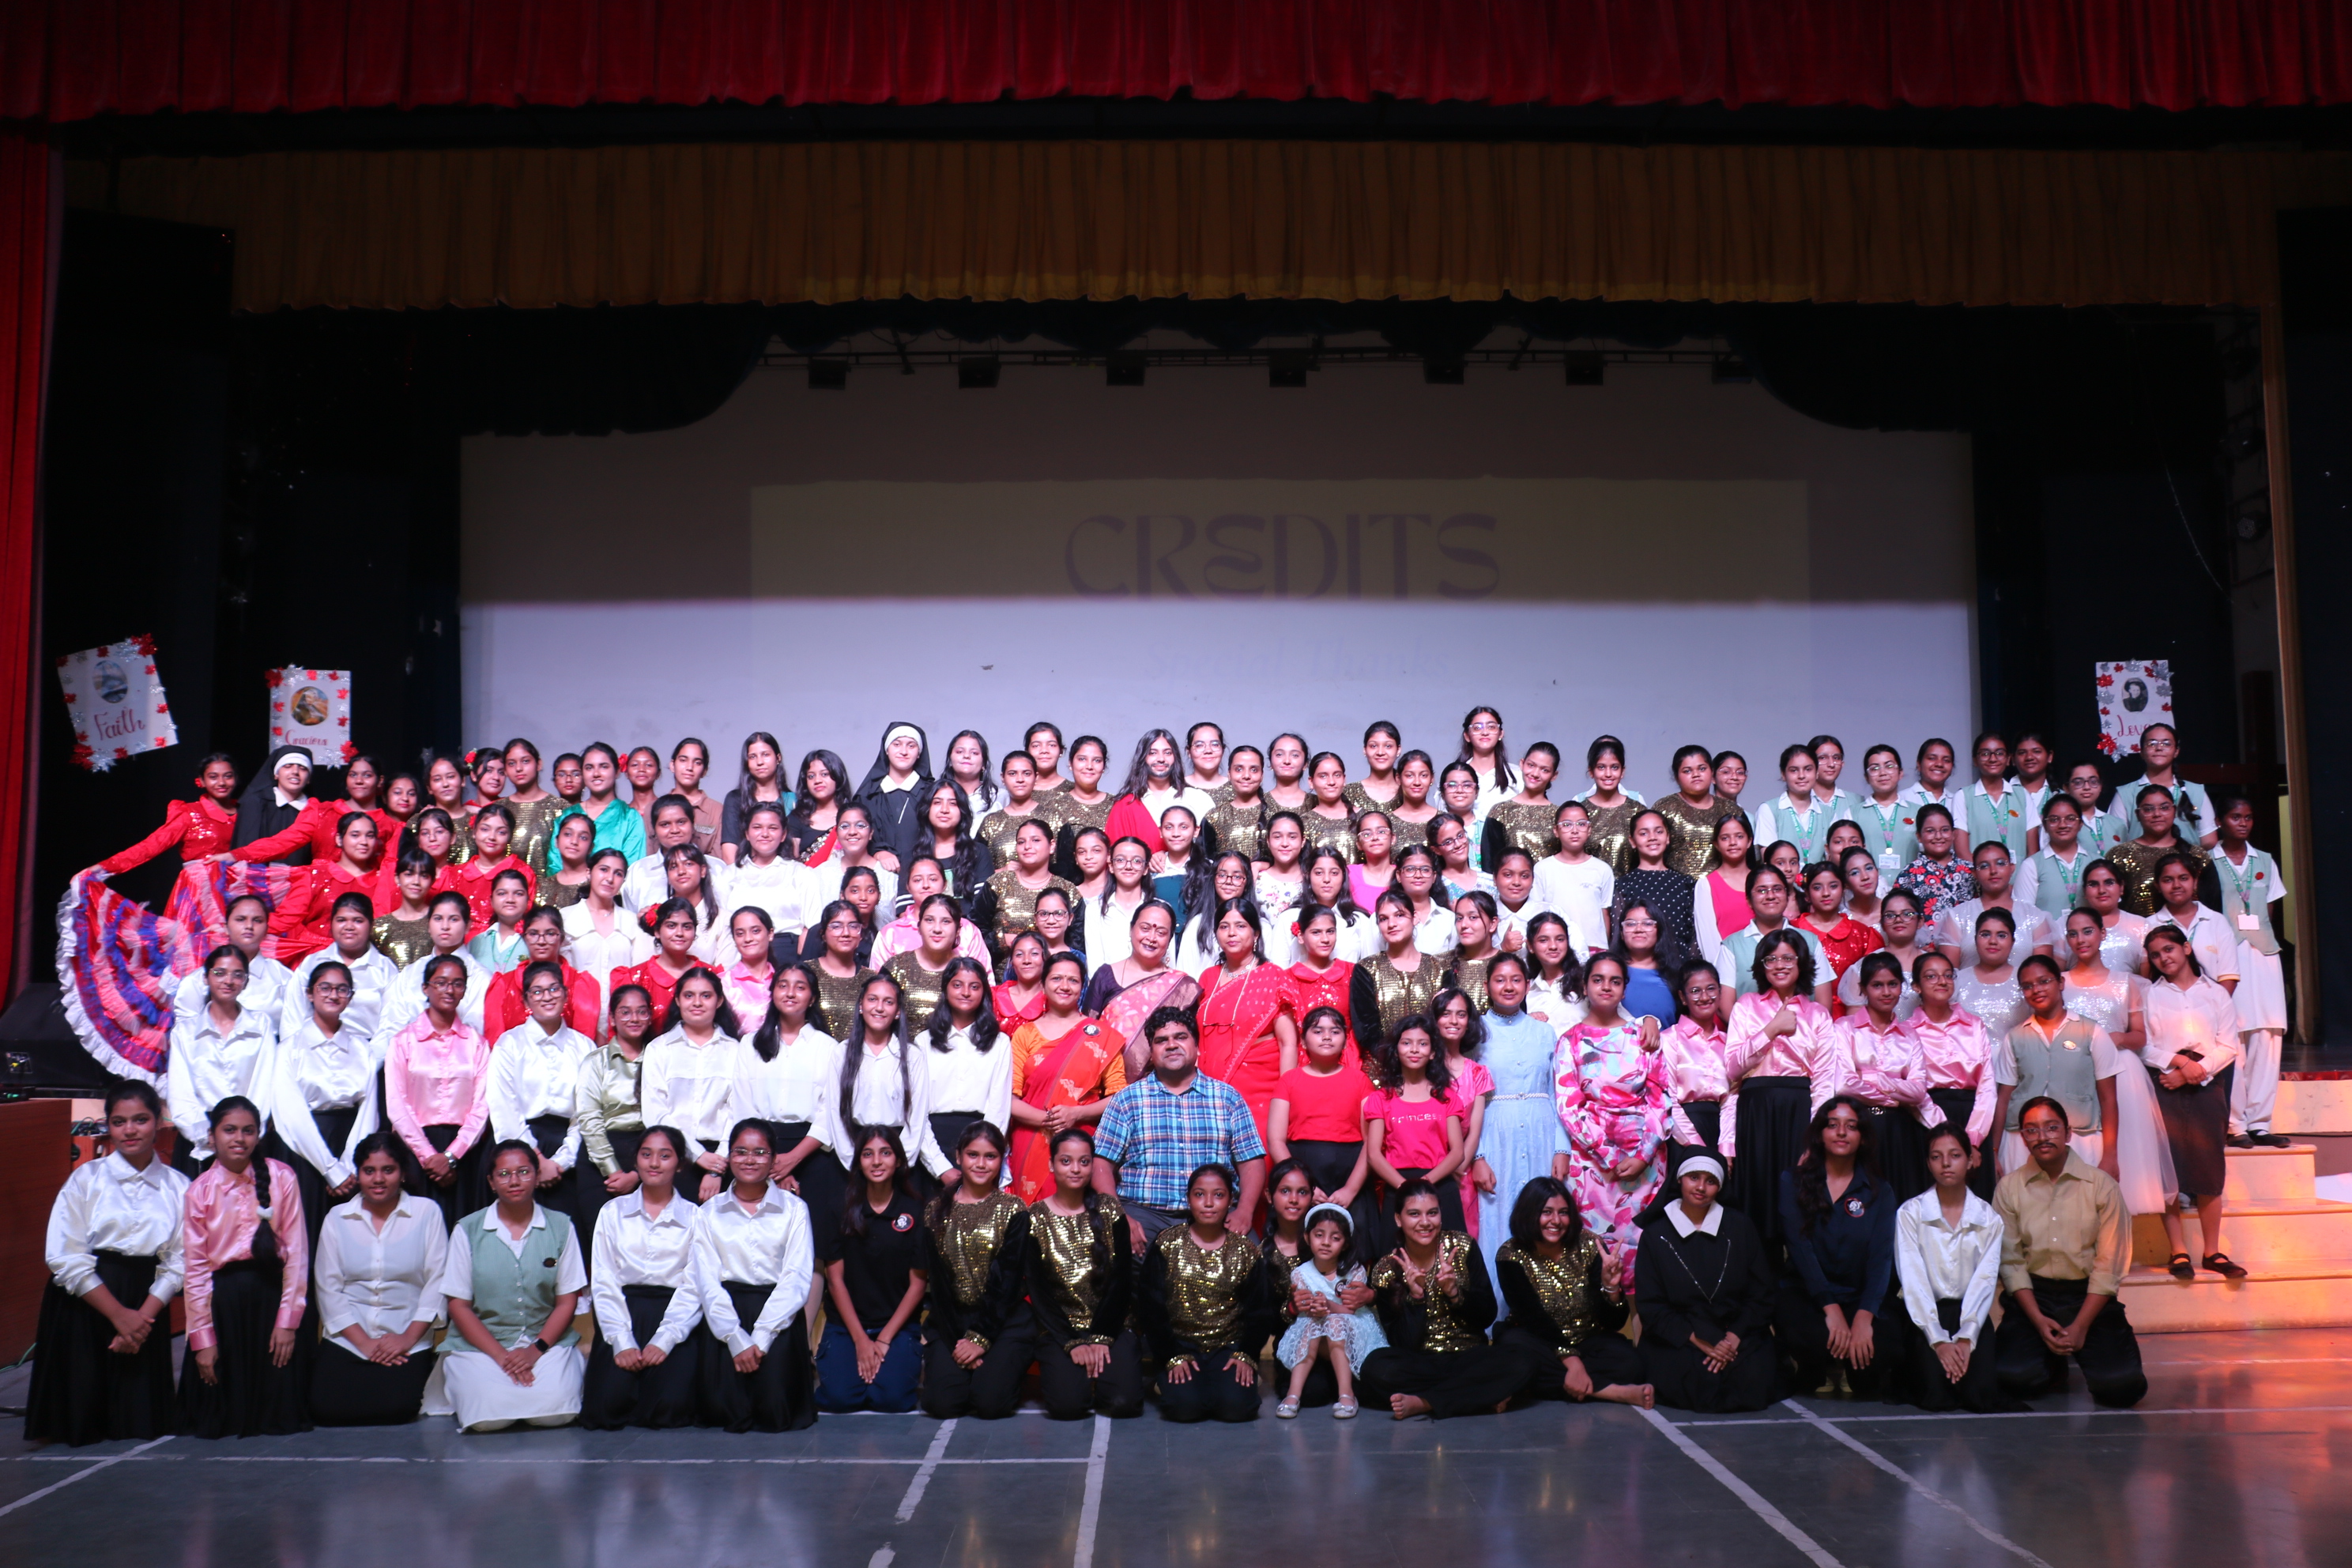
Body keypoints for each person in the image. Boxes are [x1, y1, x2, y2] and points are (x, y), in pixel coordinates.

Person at [27, 1080, 189, 1445]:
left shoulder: (180, 1187)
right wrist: (119, 1315)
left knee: (141, 1425)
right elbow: (65, 1255)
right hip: (87, 1301)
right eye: (119, 1122)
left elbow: (180, 1260)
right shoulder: (85, 1179)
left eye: (140, 1120)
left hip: (146, 1303)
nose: (130, 1130)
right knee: (83, 1422)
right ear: (108, 1126)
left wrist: (140, 1321)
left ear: (159, 1121)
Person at [1992, 1098, 2147, 1408]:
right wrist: (2038, 1321)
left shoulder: (2101, 1186)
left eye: (2052, 1128)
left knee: (2122, 1389)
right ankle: (2052, 1360)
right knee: (2013, 1379)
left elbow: (2109, 1265)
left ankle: (2077, 1345)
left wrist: (2080, 1326)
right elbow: (2011, 1263)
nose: (2042, 1137)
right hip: (2034, 1297)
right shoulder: (2009, 1188)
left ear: (2068, 1133)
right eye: (2032, 1130)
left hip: (2088, 1297)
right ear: (2023, 1137)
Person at [428, 1138, 589, 1431]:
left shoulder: (561, 1226)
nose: (514, 1181)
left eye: (524, 1172)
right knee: (488, 1418)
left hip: (544, 1344)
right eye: (503, 1174)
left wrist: (534, 1351)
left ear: (537, 1176)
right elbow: (459, 1306)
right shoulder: (468, 1230)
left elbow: (567, 1301)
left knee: (556, 1412)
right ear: (491, 1182)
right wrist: (503, 1357)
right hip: (482, 1347)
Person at [177, 1095, 311, 1440]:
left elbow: (296, 1255)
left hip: (271, 1300)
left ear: (258, 1135)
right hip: (223, 1308)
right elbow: (196, 1272)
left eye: (248, 1131)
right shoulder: (199, 1192)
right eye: (230, 1130)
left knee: (278, 1415)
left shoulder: (282, 1178)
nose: (239, 1138)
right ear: (212, 1136)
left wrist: (287, 1322)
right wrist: (202, 1338)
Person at [1091, 1005, 1268, 1247]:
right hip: (1145, 1214)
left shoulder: (1228, 1098)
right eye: (1161, 1040)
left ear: (1197, 1046)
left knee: (1250, 1256)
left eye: (1181, 1037)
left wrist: (1245, 1211)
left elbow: (1251, 1161)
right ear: (1151, 1053)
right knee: (1118, 1248)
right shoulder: (1128, 1100)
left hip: (1215, 1214)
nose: (1171, 1045)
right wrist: (1119, 1216)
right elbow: (1100, 1162)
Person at [308, 1131, 448, 1426]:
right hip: (349, 1337)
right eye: (369, 1171)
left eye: (388, 1170)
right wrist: (365, 1344)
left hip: (406, 1337)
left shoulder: (427, 1213)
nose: (378, 1179)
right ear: (358, 1175)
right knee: (326, 1409)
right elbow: (328, 1289)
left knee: (397, 1408)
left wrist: (407, 1338)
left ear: (403, 1173)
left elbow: (437, 1282)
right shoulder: (337, 1218)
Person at [688, 1119, 818, 1431]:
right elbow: (707, 1282)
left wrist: (760, 1338)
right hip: (726, 1316)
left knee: (775, 1412)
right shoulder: (708, 1212)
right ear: (729, 1156)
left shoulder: (795, 1209)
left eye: (760, 1152)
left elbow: (796, 1278)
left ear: (774, 1159)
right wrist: (735, 1338)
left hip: (779, 1315)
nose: (749, 1159)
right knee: (726, 1411)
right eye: (740, 1151)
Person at [1358, 1179, 1526, 1420]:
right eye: (1414, 1214)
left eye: (1432, 1213)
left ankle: (1425, 1402)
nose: (1425, 1222)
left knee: (1521, 1359)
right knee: (1376, 1368)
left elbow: (1487, 1316)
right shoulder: (1386, 1268)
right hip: (1421, 1363)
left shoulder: (1463, 1247)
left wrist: (1455, 1293)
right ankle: (1480, 1395)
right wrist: (1416, 1297)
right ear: (1398, 1219)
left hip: (1469, 1356)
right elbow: (1401, 1343)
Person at [1551, 955, 1673, 1268]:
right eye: (1598, 980)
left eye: (1615, 981)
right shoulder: (1569, 1041)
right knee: (1594, 1252)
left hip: (1646, 1160)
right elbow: (1568, 1106)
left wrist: (1643, 1155)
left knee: (1645, 1249)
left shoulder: (1644, 1036)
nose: (1606, 987)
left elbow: (1660, 1099)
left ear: (1624, 989)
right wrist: (1611, 1156)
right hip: (1592, 1161)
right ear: (1585, 986)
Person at [579, 1125, 703, 1430]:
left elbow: (695, 1285)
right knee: (607, 1408)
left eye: (665, 1156)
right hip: (622, 1311)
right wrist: (621, 1341)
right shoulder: (612, 1211)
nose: (654, 1163)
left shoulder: (695, 1216)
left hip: (675, 1314)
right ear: (635, 1161)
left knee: (669, 1409)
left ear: (680, 1164)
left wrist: (665, 1339)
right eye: (646, 1155)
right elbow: (604, 1280)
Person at [1723, 930, 1844, 1245]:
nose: (1779, 965)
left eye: (1788, 957)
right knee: (1757, 1199)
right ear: (1761, 966)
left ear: (1801, 963)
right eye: (1771, 959)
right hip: (1755, 1111)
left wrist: (1817, 1137)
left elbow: (1823, 1083)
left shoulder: (1818, 1014)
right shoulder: (1746, 1006)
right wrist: (1772, 1029)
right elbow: (1733, 1069)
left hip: (1798, 1113)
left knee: (1798, 1201)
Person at [2141, 923, 2247, 1281]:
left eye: (2169, 949)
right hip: (2166, 1082)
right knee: (2168, 1166)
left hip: (2207, 1083)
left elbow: (2228, 1045)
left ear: (2186, 948)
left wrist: (2195, 1071)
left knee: (2208, 1164)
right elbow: (2144, 1045)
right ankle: (2178, 1250)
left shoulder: (2215, 993)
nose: (2163, 958)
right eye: (2155, 955)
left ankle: (2212, 1251)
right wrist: (2177, 1064)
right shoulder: (2150, 995)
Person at [1775, 1096, 1900, 1398]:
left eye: (1851, 1126)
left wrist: (1864, 1317)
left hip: (1858, 1296)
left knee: (1883, 1349)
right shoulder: (1792, 1181)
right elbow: (1800, 1250)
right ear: (1820, 1133)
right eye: (1832, 1125)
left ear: (1863, 1137)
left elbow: (1881, 1259)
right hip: (1809, 1295)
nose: (1841, 1132)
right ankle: (1819, 1364)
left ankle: (1847, 1367)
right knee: (1814, 1340)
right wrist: (1830, 1309)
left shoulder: (1880, 1191)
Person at [1634, 1154, 1779, 1412]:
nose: (1701, 1187)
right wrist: (1699, 1340)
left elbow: (1761, 1292)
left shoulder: (1740, 1227)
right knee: (1697, 1380)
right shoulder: (1655, 1234)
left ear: (1720, 1187)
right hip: (1680, 1336)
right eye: (1694, 1178)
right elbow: (1651, 1306)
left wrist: (1732, 1338)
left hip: (1736, 1332)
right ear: (1680, 1180)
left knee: (1751, 1379)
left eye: (1711, 1181)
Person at [2058, 910, 2178, 1217]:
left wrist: (2117, 1038)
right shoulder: (2061, 983)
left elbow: (2140, 1036)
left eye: (2087, 931)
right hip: (2073, 1070)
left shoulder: (2126, 982)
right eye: (2073, 933)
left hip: (2121, 1071)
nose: (2080, 939)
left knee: (2123, 1147)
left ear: (2102, 934)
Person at [1491, 1174, 1648, 1407]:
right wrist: (1573, 1362)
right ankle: (1611, 1392)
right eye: (1547, 1212)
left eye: (1563, 1212)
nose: (1556, 1221)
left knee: (1631, 1364)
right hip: (1538, 1340)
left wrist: (1611, 1287)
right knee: (1516, 1357)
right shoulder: (1510, 1254)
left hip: (1587, 1338)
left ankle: (1550, 1385)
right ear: (1529, 1213)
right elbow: (1532, 1318)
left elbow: (1613, 1322)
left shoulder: (1590, 1245)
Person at [1894, 1124, 2015, 1413]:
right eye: (1936, 1157)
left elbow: (1985, 1281)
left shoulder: (1988, 1218)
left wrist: (1966, 1338)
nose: (1946, 1163)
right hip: (1925, 1315)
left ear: (1971, 1160)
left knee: (1979, 1396)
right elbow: (1913, 1280)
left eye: (1955, 1155)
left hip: (1971, 1314)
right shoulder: (1910, 1213)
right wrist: (1938, 1340)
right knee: (1936, 1396)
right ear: (1928, 1163)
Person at [1140, 1163, 1273, 1426]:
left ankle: (1231, 1383)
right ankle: (1163, 1379)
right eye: (1200, 1194)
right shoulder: (1166, 1244)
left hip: (1228, 1346)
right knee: (1185, 1409)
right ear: (1189, 1199)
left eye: (1219, 1195)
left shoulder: (1245, 1250)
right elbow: (1151, 1306)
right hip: (1179, 1345)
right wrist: (1171, 1356)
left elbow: (1260, 1310)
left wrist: (1246, 1354)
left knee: (1236, 1409)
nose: (1209, 1203)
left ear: (1231, 1200)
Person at [262, 959, 381, 1250]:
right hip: (304, 1150)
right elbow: (291, 1113)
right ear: (310, 994)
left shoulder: (362, 1048)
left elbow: (369, 1110)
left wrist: (350, 1165)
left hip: (351, 1146)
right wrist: (330, 1169)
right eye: (325, 988)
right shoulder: (290, 1048)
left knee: (350, 1239)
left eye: (342, 989)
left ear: (351, 996)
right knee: (304, 1235)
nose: (333, 995)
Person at [920, 1121, 1035, 1419]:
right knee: (942, 1405)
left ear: (1001, 1159)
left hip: (1003, 1320)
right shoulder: (935, 1210)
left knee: (990, 1404)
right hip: (951, 1320)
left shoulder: (1014, 1209)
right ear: (958, 1156)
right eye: (973, 1155)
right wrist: (960, 1342)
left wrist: (979, 1339)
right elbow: (939, 1283)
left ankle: (1001, 1369)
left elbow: (1007, 1282)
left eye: (990, 1156)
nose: (981, 1164)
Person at [815, 1125, 929, 1415]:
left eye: (885, 1153)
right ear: (858, 1162)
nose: (877, 1161)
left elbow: (918, 1285)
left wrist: (883, 1339)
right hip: (846, 1326)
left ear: (899, 1160)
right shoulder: (839, 1208)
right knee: (840, 1399)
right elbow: (835, 1281)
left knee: (892, 1400)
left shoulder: (915, 1210)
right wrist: (861, 1341)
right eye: (868, 1154)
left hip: (896, 1326)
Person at [730, 963, 848, 1223]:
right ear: (773, 993)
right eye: (783, 986)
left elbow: (830, 1111)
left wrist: (792, 1160)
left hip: (811, 1153)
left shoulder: (829, 1048)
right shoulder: (750, 1044)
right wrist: (771, 1163)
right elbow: (742, 1104)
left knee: (813, 1231)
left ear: (812, 998)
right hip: (758, 1153)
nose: (790, 993)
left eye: (800, 987)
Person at [383, 954, 493, 1228]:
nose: (449, 990)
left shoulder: (477, 1044)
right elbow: (397, 1106)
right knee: (418, 1234)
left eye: (457, 983)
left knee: (464, 1231)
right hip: (415, 1152)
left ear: (464, 990)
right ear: (425, 988)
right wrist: (429, 1157)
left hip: (466, 1152)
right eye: (441, 982)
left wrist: (452, 1156)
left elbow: (482, 1106)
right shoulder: (402, 1042)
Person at [1008, 952, 1128, 1202]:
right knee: (1030, 1216)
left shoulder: (1102, 1035)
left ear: (1082, 987)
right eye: (1057, 979)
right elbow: (1009, 1100)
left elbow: (1119, 1097)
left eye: (1073, 980)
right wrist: (1052, 1120)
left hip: (1080, 1142)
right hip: (1030, 1140)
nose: (1065, 986)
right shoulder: (1024, 1035)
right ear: (1043, 985)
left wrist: (1076, 1114)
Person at [487, 959, 597, 1227]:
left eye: (554, 989)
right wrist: (535, 1161)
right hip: (519, 1148)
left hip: (571, 1150)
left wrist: (561, 1162)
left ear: (566, 994)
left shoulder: (585, 1047)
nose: (547, 997)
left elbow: (588, 1111)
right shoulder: (509, 1044)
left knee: (568, 1231)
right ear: (526, 1000)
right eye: (537, 991)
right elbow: (504, 1109)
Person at [2211, 794, 2291, 1148]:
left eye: (2247, 817)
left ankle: (2260, 1122)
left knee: (2268, 1035)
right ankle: (2236, 1124)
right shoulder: (2208, 861)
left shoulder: (2265, 861)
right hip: (2228, 955)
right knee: (2234, 1036)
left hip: (2264, 954)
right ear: (2220, 821)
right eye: (2235, 817)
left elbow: (2269, 910)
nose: (2242, 823)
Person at [1193, 896, 1296, 1158]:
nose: (1232, 933)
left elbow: (1287, 1043)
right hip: (1210, 1091)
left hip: (1261, 1091)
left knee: (1257, 1161)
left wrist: (1285, 1098)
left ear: (1256, 933)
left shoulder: (1272, 976)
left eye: (1240, 926)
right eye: (1224, 926)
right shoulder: (1208, 977)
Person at [165, 944, 279, 1174]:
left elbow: (264, 1085)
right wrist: (207, 1137)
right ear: (205, 978)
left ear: (246, 982)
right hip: (199, 1140)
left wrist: (245, 1133)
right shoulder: (185, 1033)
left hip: (247, 1139)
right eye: (219, 973)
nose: (229, 981)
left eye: (238, 975)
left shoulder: (261, 1026)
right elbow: (180, 1094)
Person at [1268, 1004, 1375, 1241]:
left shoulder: (1360, 1081)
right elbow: (1275, 1140)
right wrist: (1303, 1186)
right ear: (1303, 1042)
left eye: (1335, 1031)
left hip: (1350, 1172)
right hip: (1301, 1170)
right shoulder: (1289, 1081)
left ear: (1346, 1041)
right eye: (1318, 1031)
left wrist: (1351, 1189)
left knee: (1351, 1244)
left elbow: (1372, 1142)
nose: (1327, 1037)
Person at [1837, 953, 1939, 1200]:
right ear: (1863, 989)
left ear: (1901, 987)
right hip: (1857, 1126)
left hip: (1900, 1130)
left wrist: (1872, 1078)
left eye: (1892, 984)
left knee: (1900, 1199)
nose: (1886, 992)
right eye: (1877, 985)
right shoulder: (1844, 1028)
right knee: (1858, 1202)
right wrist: (1895, 1096)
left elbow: (1918, 1092)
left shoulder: (1910, 1035)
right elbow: (1844, 1086)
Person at [1364, 1015, 1466, 1253]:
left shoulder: (1448, 1098)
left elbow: (1457, 1153)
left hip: (1439, 1185)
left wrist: (1425, 1184)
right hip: (1397, 1186)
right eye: (1407, 1042)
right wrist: (1404, 1188)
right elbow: (1373, 1155)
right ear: (1396, 1050)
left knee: (1452, 1259)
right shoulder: (1380, 1099)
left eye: (1423, 1043)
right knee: (1395, 1263)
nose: (1414, 1049)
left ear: (1432, 1053)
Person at [641, 967, 742, 1201]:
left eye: (706, 996)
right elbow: (655, 1111)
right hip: (670, 1156)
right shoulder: (659, 1048)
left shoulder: (735, 1050)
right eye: (689, 995)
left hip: (722, 1158)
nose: (697, 1003)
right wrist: (697, 1154)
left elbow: (737, 1111)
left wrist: (717, 1166)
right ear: (677, 1000)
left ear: (719, 1001)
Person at [1275, 1203, 1384, 1419]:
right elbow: (1305, 1309)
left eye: (1335, 1238)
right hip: (1317, 1332)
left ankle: (1347, 1394)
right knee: (1311, 1324)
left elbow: (1351, 1311)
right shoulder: (1301, 1273)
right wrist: (1313, 1308)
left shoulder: (1354, 1271)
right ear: (1307, 1238)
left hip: (1352, 1330)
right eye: (1319, 1235)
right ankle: (1293, 1395)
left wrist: (1329, 1307)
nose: (1326, 1242)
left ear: (1345, 1244)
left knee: (1334, 1322)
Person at [575, 983, 658, 1260]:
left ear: (650, 1017)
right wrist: (612, 1171)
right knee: (602, 1246)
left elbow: (667, 1116)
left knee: (645, 1246)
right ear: (611, 1018)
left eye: (641, 1012)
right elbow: (589, 1119)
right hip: (600, 1158)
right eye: (625, 1012)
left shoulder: (661, 1058)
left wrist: (637, 1174)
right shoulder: (595, 1061)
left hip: (650, 1156)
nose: (634, 1018)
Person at [916, 959, 1017, 1182]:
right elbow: (916, 1113)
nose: (966, 992)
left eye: (974, 986)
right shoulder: (924, 1042)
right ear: (945, 989)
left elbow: (999, 1109)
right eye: (957, 985)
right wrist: (940, 1167)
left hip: (981, 1141)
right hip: (932, 1142)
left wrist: (984, 1157)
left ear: (984, 992)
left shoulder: (999, 1043)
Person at [1351, 889, 1446, 1046]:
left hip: (1430, 1058)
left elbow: (1444, 1022)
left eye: (1400, 915)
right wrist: (1392, 1056)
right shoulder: (1366, 969)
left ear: (1415, 918)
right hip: (1381, 1059)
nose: (1392, 924)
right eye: (1383, 919)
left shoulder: (1439, 969)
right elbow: (1366, 1030)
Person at [2109, 786, 2217, 918]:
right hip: (2136, 929)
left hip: (2191, 929)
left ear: (2174, 811)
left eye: (2164, 808)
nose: (2157, 814)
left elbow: (2212, 906)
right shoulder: (2120, 855)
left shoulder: (2197, 855)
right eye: (2148, 809)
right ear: (2137, 814)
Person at [2105, 722, 2215, 850]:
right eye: (2152, 743)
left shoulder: (2196, 791)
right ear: (2142, 752)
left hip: (2186, 861)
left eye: (2166, 744)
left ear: (2176, 751)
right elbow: (2115, 842)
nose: (2159, 748)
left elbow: (2209, 840)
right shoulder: (2125, 794)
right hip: (2138, 862)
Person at [1612, 809, 1698, 958]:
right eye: (1644, 833)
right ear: (1632, 841)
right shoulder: (1623, 885)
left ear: (1668, 837)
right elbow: (1617, 936)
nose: (1652, 838)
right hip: (1637, 966)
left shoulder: (1686, 883)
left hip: (1681, 965)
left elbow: (1695, 935)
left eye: (1659, 832)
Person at [854, 721, 936, 872]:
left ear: (919, 753)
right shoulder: (867, 795)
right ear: (887, 750)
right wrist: (878, 852)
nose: (903, 751)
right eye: (897, 744)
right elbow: (856, 836)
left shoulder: (933, 793)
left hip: (924, 874)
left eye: (911, 746)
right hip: (877, 874)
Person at [1481, 741, 1562, 872]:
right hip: (1509, 884)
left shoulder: (1560, 816)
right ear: (1522, 764)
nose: (1535, 773)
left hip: (1550, 884)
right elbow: (1489, 864)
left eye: (1545, 770)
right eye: (1531, 765)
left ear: (1554, 775)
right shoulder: (1500, 811)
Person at [1893, 804, 1976, 923]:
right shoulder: (1908, 875)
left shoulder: (1970, 871)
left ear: (1953, 834)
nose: (1938, 836)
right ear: (1919, 836)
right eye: (1930, 831)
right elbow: (1900, 915)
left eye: (1945, 830)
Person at [719, 731, 793, 865]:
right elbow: (729, 855)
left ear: (778, 758)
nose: (759, 762)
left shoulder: (793, 801)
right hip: (744, 875)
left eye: (765, 755)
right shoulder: (735, 799)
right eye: (753, 757)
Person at [1954, 907, 2028, 1038]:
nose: (1993, 941)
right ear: (1975, 939)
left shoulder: (2026, 980)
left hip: (2017, 1050)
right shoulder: (1957, 980)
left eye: (2001, 935)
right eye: (1985, 934)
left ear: (2012, 942)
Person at [1751, 744, 1830, 865]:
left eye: (1808, 769)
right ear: (1783, 774)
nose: (1802, 776)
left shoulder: (1829, 813)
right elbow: (1769, 860)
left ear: (1817, 773)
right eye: (1794, 770)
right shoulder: (1769, 810)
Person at [786, 748, 850, 862]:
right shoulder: (796, 819)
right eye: (811, 776)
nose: (817, 780)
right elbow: (792, 865)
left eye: (824, 774)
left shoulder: (853, 817)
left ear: (838, 776)